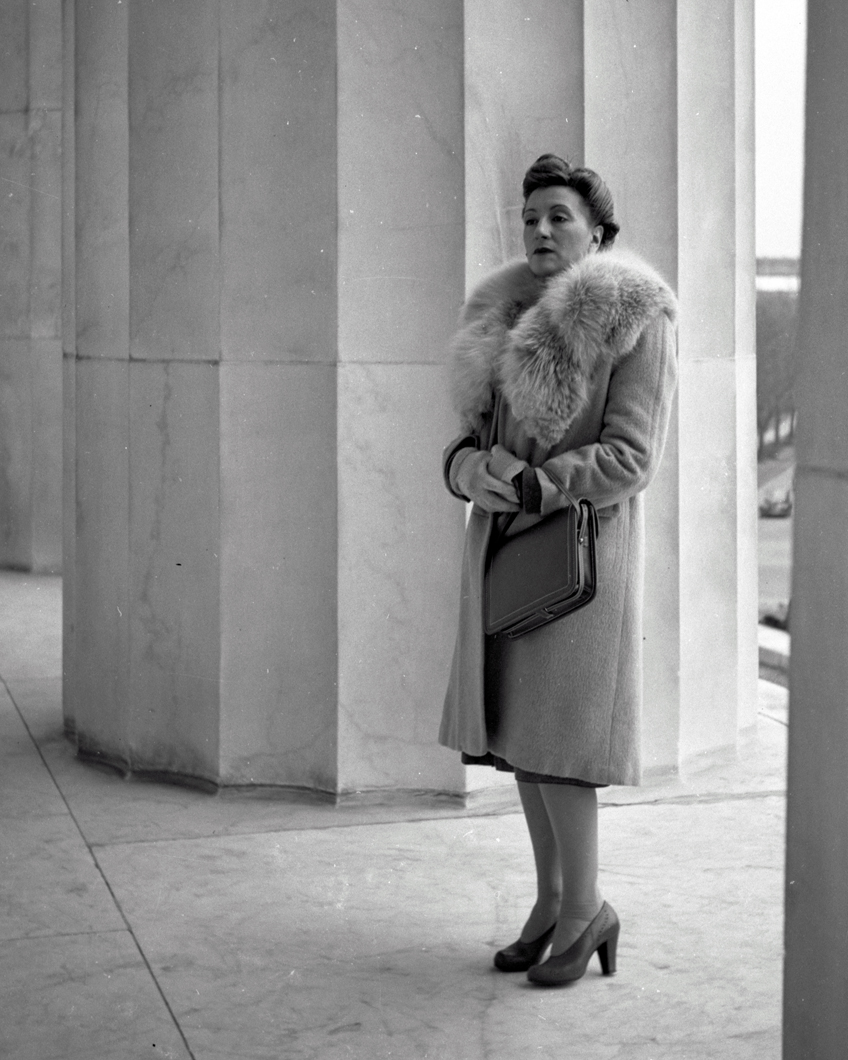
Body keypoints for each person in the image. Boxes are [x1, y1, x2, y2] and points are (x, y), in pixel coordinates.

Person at [440, 154, 678, 986]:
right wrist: (472, 471)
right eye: (530, 216)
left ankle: (587, 911)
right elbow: (472, 438)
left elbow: (633, 456)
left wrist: (541, 481)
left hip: (580, 559)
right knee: (526, 746)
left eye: (559, 217)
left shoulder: (634, 319)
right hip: (508, 553)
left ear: (599, 233)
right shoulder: (504, 317)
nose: (540, 230)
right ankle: (550, 903)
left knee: (563, 747)